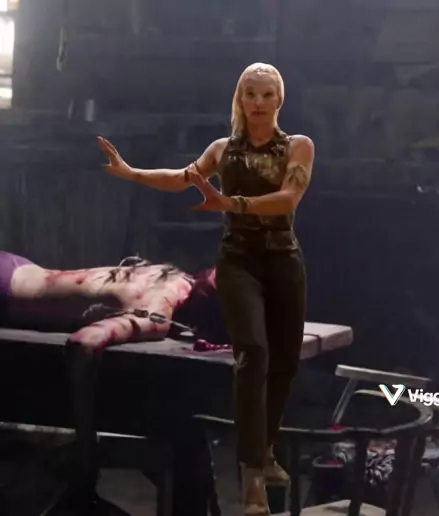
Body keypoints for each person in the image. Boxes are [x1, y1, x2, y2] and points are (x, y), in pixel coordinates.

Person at [98, 62, 314, 515]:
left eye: (267, 94)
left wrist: (230, 202)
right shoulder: (223, 150)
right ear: (240, 98)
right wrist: (131, 172)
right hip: (238, 260)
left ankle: (265, 451)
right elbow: (181, 177)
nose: (258, 102)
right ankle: (252, 479)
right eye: (250, 93)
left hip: (283, 261)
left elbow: (287, 199)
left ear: (279, 99)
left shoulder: (299, 146)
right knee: (253, 354)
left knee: (285, 363)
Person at [0, 250, 227, 515]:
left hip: (15, 268)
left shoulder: (175, 279)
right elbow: (83, 343)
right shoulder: (157, 312)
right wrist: (87, 450)